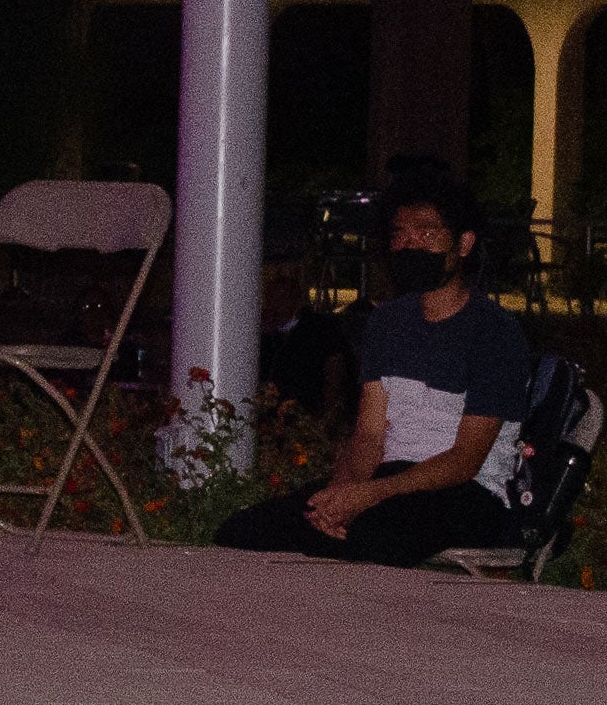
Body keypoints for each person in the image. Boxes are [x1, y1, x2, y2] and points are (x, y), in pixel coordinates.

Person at [214, 171, 533, 566]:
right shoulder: (387, 324)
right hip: (389, 480)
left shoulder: (494, 331)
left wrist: (369, 495)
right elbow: (368, 434)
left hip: (469, 493)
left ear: (463, 244)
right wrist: (343, 492)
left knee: (365, 541)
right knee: (245, 532)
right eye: (401, 234)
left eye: (428, 233)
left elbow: (464, 460)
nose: (411, 244)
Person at [258, 266, 355, 424]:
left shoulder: (319, 328)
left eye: (281, 300)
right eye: (270, 300)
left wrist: (325, 415)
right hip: (273, 418)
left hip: (308, 414)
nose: (274, 307)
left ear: (294, 301)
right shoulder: (268, 335)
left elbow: (335, 369)